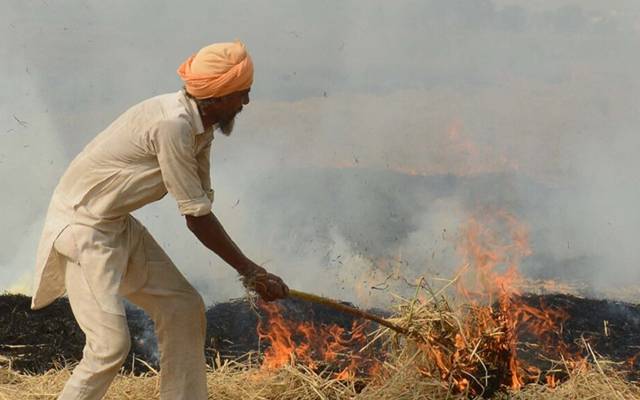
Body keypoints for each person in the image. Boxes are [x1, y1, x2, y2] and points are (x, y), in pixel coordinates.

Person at [30, 41, 289, 400]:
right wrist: (251, 271)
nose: (245, 103)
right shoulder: (173, 125)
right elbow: (197, 218)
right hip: (83, 228)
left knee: (183, 307)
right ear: (217, 96)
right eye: (241, 94)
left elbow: (200, 199)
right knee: (109, 347)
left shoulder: (202, 127)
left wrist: (252, 270)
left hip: (116, 224)